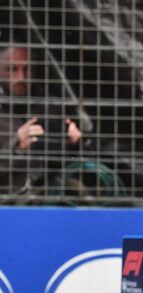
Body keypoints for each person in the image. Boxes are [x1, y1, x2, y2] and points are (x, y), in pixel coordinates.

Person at [0, 43, 85, 195]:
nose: (22, 78)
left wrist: (74, 144)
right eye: (12, 69)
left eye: (27, 69)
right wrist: (17, 148)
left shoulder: (49, 105)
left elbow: (66, 161)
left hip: (47, 194)